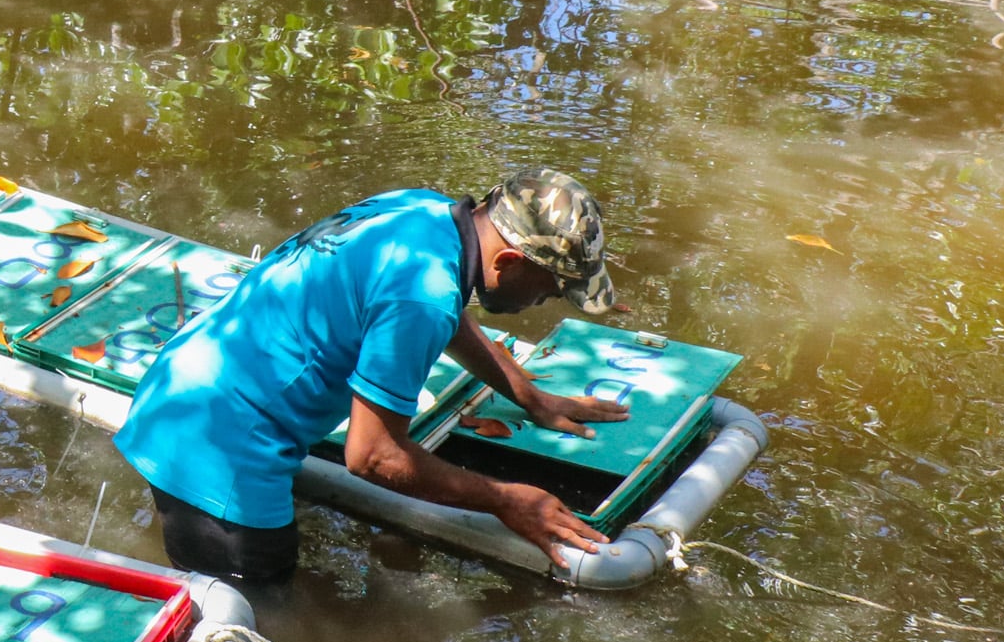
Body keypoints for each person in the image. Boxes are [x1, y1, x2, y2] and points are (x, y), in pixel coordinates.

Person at [115, 168, 630, 585]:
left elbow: (437, 308)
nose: (546, 301)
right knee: (258, 618)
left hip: (182, 384)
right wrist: (504, 499)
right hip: (217, 449)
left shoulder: (420, 211)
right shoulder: (423, 296)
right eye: (550, 289)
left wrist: (529, 396)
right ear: (511, 261)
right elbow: (371, 456)